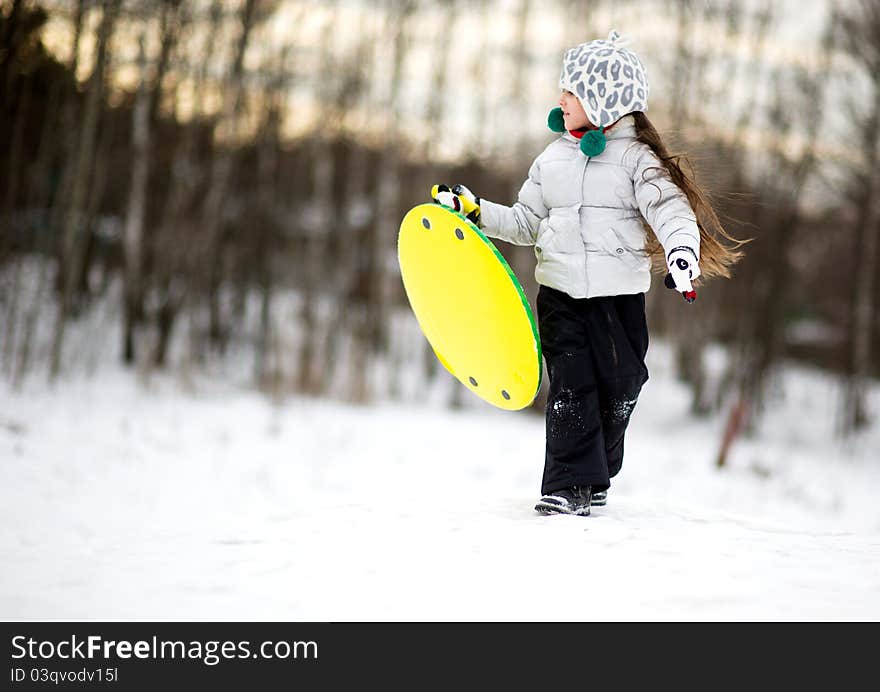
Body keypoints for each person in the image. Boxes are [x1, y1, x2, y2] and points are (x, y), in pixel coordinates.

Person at [431, 30, 744, 516]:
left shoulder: (636, 160)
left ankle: (595, 471)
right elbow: (524, 223)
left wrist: (683, 252)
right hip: (559, 295)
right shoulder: (551, 159)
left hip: (618, 299)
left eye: (573, 90)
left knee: (622, 385)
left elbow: (671, 210)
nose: (561, 98)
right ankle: (568, 485)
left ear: (605, 99)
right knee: (571, 388)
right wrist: (474, 212)